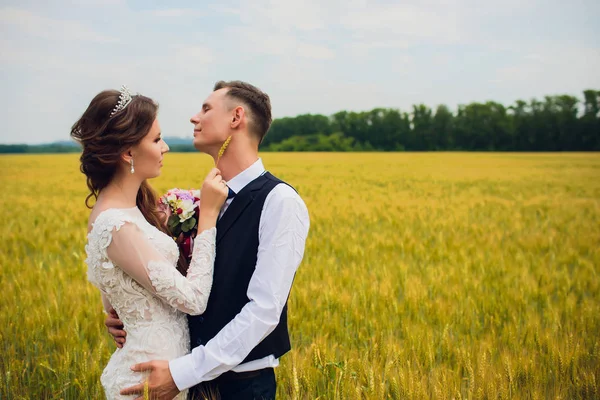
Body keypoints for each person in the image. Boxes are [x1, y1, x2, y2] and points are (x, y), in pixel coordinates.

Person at [113, 81, 310, 400]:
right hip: (185, 382)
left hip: (241, 387)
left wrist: (182, 373)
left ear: (236, 118)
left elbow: (263, 311)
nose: (194, 118)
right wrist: (130, 311)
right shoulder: (198, 203)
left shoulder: (280, 201)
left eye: (206, 109)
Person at [71, 86, 228, 399]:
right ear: (128, 152)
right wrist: (208, 215)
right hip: (145, 383)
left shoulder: (127, 211)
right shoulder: (116, 224)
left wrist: (123, 316)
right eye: (156, 139)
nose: (166, 147)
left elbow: (115, 298)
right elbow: (194, 300)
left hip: (159, 375)